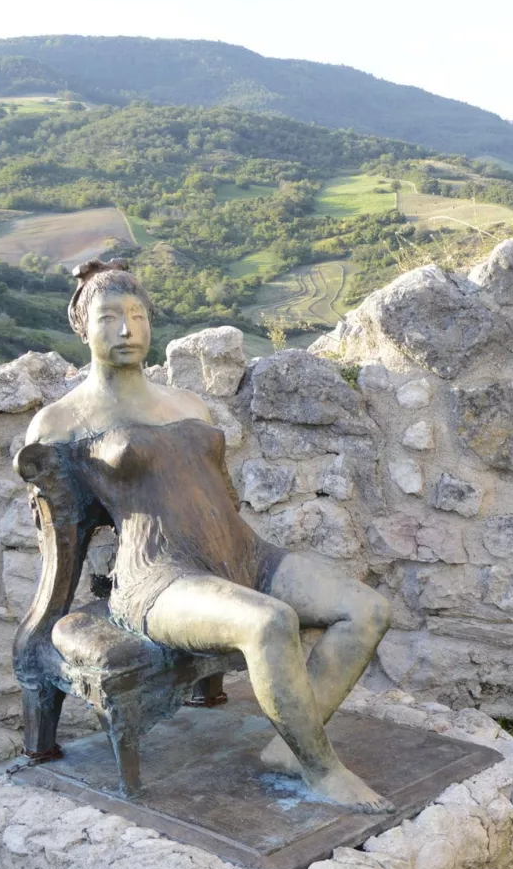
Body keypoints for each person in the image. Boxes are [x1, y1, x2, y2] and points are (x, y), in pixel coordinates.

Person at [25, 260, 393, 812]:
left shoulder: (186, 403)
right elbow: (61, 529)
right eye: (108, 319)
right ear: (84, 327)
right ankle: (323, 770)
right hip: (159, 577)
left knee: (366, 611)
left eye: (136, 316)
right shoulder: (62, 421)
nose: (126, 331)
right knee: (270, 623)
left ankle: (289, 746)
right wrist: (49, 616)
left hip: (241, 555)